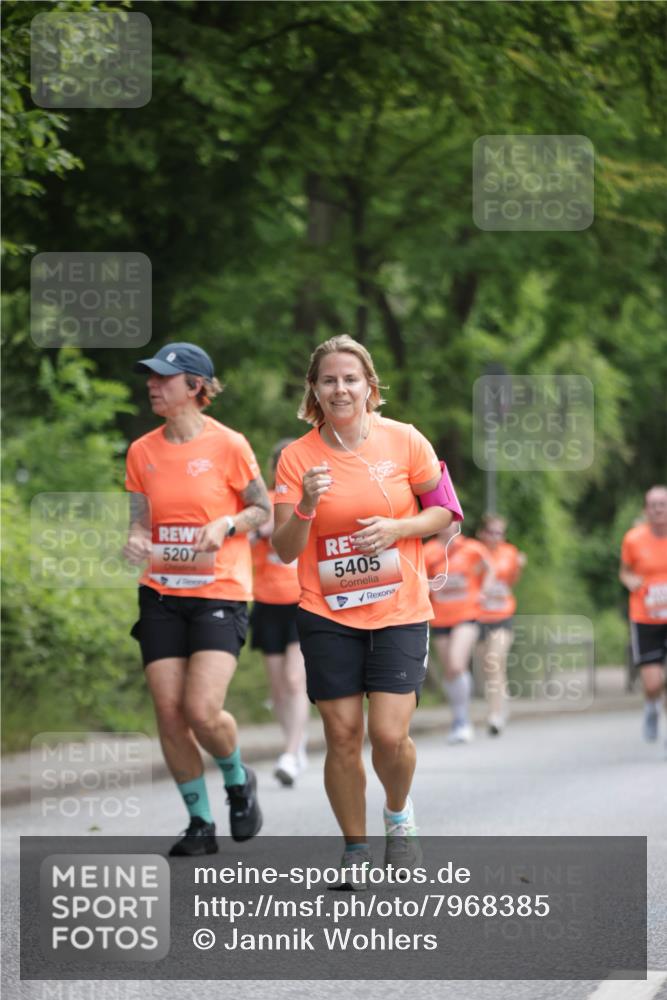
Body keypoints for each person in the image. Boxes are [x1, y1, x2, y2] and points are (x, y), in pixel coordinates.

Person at [272, 334, 462, 884]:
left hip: (400, 606)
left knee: (387, 735)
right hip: (326, 610)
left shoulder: (404, 441)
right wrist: (305, 504)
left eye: (350, 379)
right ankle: (355, 848)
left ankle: (398, 817)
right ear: (314, 389)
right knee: (341, 734)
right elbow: (285, 550)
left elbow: (446, 514)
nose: (340, 388)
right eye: (328, 379)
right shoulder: (297, 457)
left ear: (369, 386)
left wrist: (399, 528)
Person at [123, 342, 271, 856]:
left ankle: (236, 778)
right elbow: (140, 519)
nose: (153, 385)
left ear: (196, 388)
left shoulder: (229, 445)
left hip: (220, 591)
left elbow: (261, 509)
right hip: (161, 591)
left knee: (202, 709)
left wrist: (227, 522)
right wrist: (137, 538)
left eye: (165, 378)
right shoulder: (142, 450)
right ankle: (200, 824)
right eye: (152, 378)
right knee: (168, 712)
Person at [250, 439, 309, 787]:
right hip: (266, 601)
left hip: (302, 601)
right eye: (281, 462)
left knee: (293, 679)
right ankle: (296, 741)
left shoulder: (309, 503)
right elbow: (238, 540)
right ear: (273, 467)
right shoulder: (263, 503)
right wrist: (259, 531)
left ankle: (289, 752)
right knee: (276, 686)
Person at [423, 525, 493, 744]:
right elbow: (420, 578)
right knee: (450, 671)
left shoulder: (472, 548)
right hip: (441, 617)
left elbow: (490, 569)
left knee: (456, 664)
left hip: (467, 614)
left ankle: (463, 721)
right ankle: (458, 717)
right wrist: (429, 588)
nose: (448, 525)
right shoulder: (428, 550)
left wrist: (484, 591)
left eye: (453, 520)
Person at [619, 485, 667, 744]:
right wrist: (630, 581)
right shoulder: (634, 539)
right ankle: (651, 707)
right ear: (646, 510)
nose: (658, 509)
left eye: (663, 504)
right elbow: (624, 571)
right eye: (653, 505)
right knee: (652, 683)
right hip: (645, 617)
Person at [476, 514, 527, 736]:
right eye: (492, 532)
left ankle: (495, 715)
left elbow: (512, 581)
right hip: (478, 616)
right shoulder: (474, 552)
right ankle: (502, 699)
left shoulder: (510, 552)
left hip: (502, 614)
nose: (497, 537)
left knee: (495, 661)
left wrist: (519, 567)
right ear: (482, 533)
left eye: (500, 533)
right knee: (488, 669)